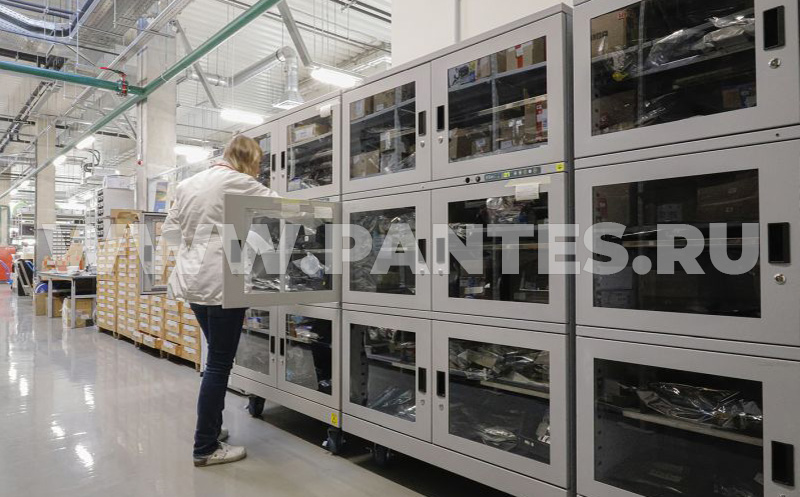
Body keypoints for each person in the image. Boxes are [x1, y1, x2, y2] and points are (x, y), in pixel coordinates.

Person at [163, 135, 278, 467]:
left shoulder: (188, 184)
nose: (258, 170)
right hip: (223, 282)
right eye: (258, 163)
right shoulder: (238, 181)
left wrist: (200, 241)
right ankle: (205, 446)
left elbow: (170, 232)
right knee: (218, 364)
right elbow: (281, 208)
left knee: (215, 359)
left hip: (193, 281)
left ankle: (211, 429)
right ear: (249, 159)